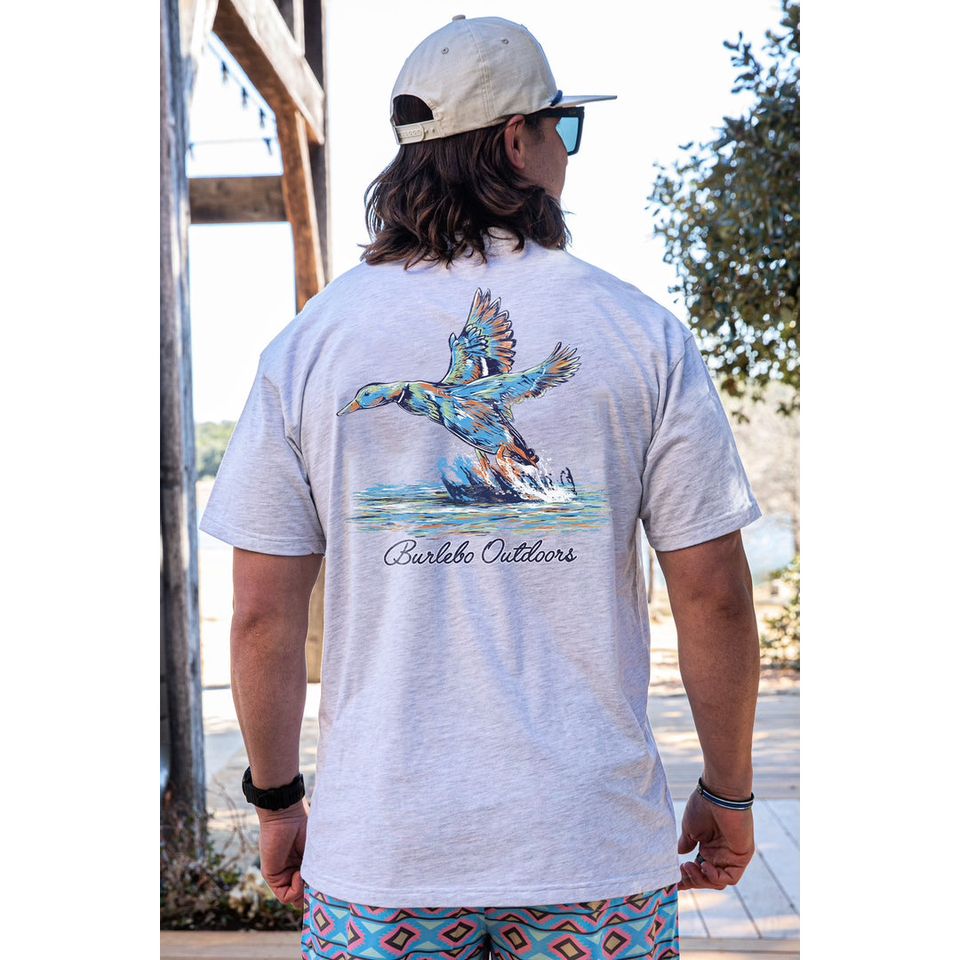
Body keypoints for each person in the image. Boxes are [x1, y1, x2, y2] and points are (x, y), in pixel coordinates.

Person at [200, 15, 763, 960]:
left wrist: (280, 800)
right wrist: (729, 791)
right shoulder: (644, 334)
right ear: (515, 141)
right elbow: (714, 595)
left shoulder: (307, 347)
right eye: (563, 126)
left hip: (382, 859)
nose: (568, 151)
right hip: (591, 854)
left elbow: (261, 616)